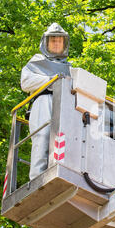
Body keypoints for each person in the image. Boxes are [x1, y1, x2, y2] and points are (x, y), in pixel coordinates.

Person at [21, 23, 71, 180]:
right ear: (46, 43)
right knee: (42, 137)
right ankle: (37, 177)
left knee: (64, 138)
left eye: (59, 41)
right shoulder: (37, 61)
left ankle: (59, 174)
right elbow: (26, 82)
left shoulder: (69, 68)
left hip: (64, 104)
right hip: (43, 101)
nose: (56, 43)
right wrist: (51, 80)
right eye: (53, 40)